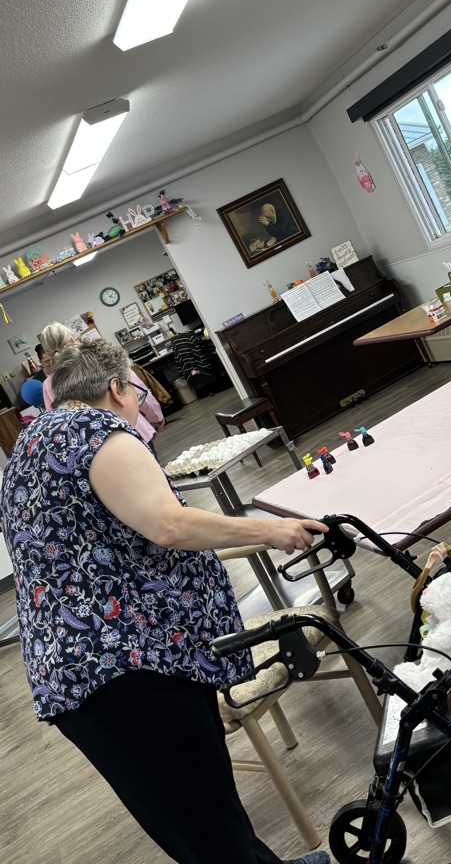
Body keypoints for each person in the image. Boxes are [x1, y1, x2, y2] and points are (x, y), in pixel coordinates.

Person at [1, 338, 330, 864]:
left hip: (93, 672)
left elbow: (123, 540)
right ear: (114, 387)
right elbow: (170, 525)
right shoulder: (98, 431)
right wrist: (270, 531)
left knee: (201, 814)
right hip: (123, 669)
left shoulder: (33, 444)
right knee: (209, 833)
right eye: (135, 389)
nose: (138, 404)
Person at [40, 321, 165, 449]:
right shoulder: (100, 359)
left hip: (96, 446)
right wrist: (155, 415)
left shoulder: (49, 385)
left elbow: (58, 421)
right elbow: (135, 388)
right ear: (73, 339)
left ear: (47, 352)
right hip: (132, 428)